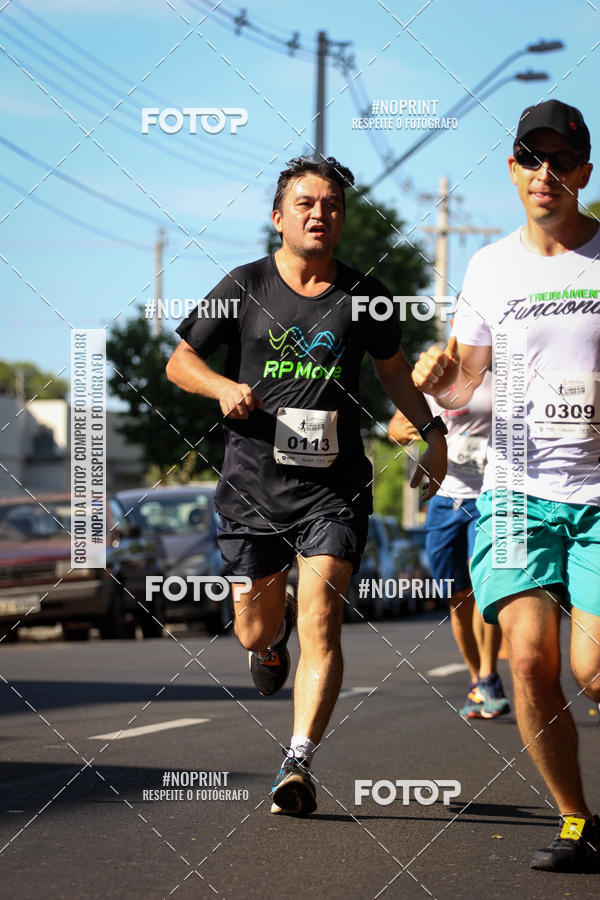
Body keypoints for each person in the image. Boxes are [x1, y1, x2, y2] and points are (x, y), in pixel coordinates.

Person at [166, 156, 448, 816]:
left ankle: (297, 761)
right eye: (306, 204)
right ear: (278, 217)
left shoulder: (365, 296)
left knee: (321, 618)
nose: (320, 213)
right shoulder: (243, 286)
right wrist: (223, 386)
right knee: (253, 627)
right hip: (251, 487)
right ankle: (267, 648)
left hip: (334, 489)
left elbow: (397, 376)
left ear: (343, 220)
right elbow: (181, 361)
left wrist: (434, 432)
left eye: (332, 206)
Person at [412, 100, 600, 871]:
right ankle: (578, 823)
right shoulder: (489, 267)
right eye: (532, 158)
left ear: (585, 171)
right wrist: (437, 374)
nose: (546, 173)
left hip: (597, 497)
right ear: (515, 169)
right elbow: (462, 385)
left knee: (593, 668)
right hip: (517, 491)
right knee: (527, 660)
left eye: (562, 159)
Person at [388, 366, 511, 719]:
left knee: (485, 584)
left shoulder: (505, 372)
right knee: (458, 595)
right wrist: (419, 431)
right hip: (443, 498)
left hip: (490, 495)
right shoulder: (433, 375)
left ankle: (489, 676)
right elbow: (396, 426)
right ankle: (477, 680)